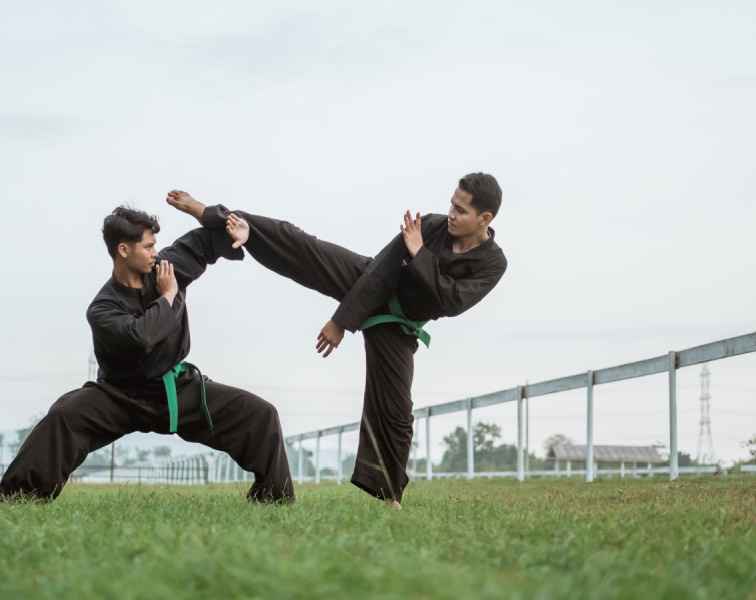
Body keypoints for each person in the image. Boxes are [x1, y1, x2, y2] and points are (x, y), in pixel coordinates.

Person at [166, 173, 507, 507]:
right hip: (369, 281)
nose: (451, 213)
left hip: (399, 325)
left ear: (484, 218)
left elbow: (450, 302)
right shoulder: (430, 225)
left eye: (461, 210)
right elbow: (384, 268)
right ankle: (232, 223)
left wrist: (420, 254)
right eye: (452, 204)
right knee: (303, 244)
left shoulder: (492, 263)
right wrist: (342, 320)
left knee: (397, 410)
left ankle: (390, 497)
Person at [0, 204, 294, 503]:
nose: (156, 252)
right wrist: (167, 296)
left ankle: (274, 500)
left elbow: (209, 238)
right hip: (121, 394)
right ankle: (20, 499)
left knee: (261, 414)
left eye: (155, 245)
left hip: (178, 389)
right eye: (148, 246)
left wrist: (199, 209)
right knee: (62, 416)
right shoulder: (102, 309)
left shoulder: (168, 266)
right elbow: (141, 337)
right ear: (124, 250)